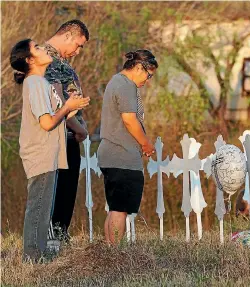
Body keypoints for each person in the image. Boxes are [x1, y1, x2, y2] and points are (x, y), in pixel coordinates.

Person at [10, 39, 89, 262]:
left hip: (49, 154)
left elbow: (58, 113)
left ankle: (38, 254)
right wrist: (67, 107)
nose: (43, 49)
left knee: (43, 209)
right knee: (38, 209)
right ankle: (33, 259)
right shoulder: (34, 82)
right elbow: (46, 123)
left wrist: (70, 107)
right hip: (40, 153)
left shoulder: (42, 83)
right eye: (37, 48)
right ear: (29, 60)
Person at [97, 49, 157, 244]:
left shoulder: (116, 82)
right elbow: (130, 120)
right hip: (121, 155)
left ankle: (109, 251)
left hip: (112, 154)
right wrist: (146, 144)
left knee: (115, 207)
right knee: (120, 210)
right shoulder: (125, 86)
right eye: (148, 75)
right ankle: (114, 255)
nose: (147, 80)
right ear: (139, 67)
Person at [41, 20, 90, 242]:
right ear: (68, 36)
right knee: (59, 192)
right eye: (79, 45)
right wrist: (79, 129)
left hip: (66, 135)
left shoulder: (57, 59)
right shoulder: (48, 60)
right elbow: (56, 102)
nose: (78, 52)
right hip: (60, 136)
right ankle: (55, 238)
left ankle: (58, 234)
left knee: (66, 191)